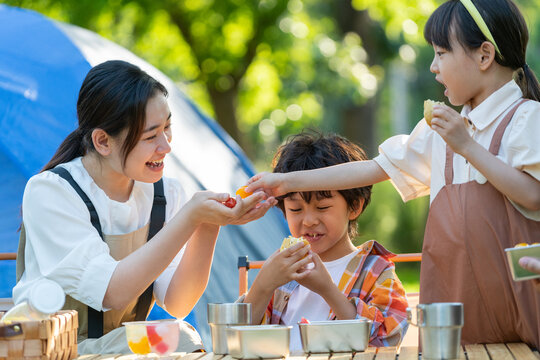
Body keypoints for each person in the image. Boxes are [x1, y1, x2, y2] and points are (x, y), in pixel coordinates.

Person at [246, 0, 540, 347]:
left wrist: (467, 146)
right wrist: (285, 182)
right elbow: (375, 168)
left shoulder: (525, 117)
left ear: (484, 55)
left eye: (442, 53)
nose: (433, 66)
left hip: (523, 318)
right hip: (458, 320)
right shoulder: (442, 130)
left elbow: (534, 194)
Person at [13, 60, 276, 354]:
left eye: (167, 128)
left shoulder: (165, 193)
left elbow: (178, 302)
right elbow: (111, 292)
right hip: (55, 350)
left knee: (183, 335)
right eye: (151, 136)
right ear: (103, 141)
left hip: (122, 348)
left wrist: (209, 223)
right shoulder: (52, 191)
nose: (166, 146)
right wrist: (190, 217)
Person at [239, 131, 409, 350]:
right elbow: (237, 339)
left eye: (322, 207)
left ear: (354, 206)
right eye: (296, 209)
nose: (308, 221)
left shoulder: (376, 272)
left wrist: (327, 290)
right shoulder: (281, 272)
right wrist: (263, 285)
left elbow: (386, 340)